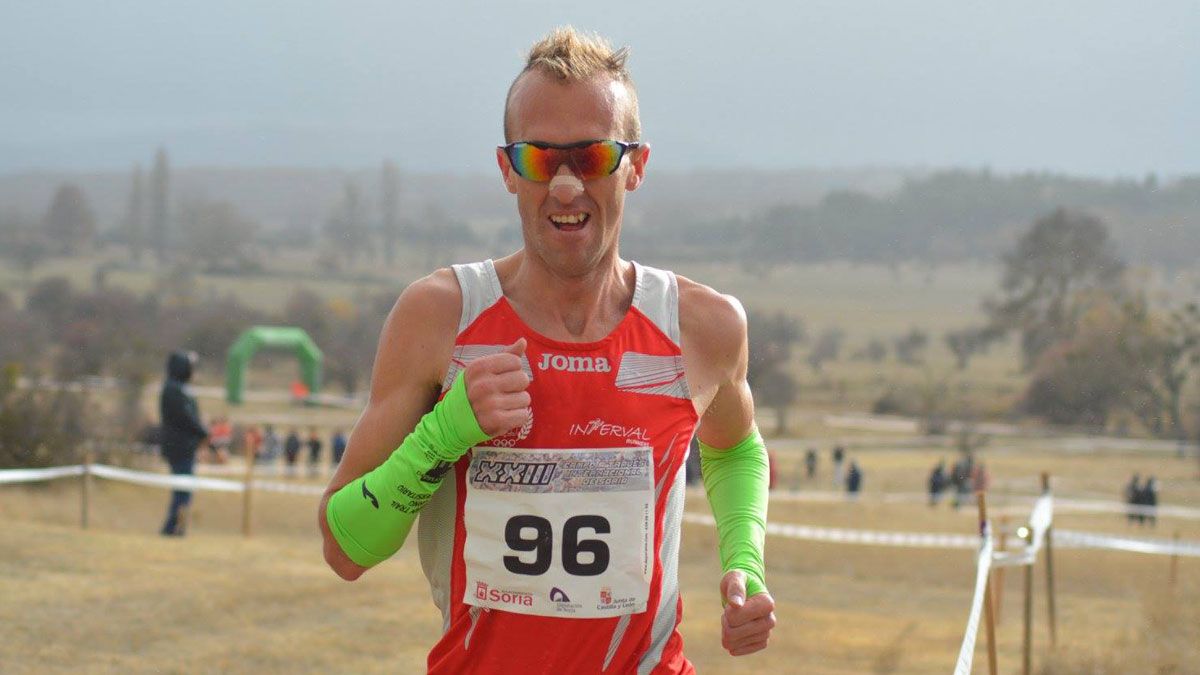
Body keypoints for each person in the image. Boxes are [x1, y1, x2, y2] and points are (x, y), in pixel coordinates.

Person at [318, 27, 775, 673]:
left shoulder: (704, 326)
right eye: (539, 158)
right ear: (507, 168)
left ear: (636, 165)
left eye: (590, 157)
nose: (564, 185)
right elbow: (344, 548)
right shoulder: (442, 316)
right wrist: (443, 433)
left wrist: (744, 563)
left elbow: (736, 447)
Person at [159, 350, 208, 536]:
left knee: (184, 490)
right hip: (179, 448)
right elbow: (186, 418)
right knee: (182, 490)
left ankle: (178, 526)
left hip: (186, 447)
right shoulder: (173, 390)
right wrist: (204, 433)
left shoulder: (180, 389)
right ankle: (173, 527)